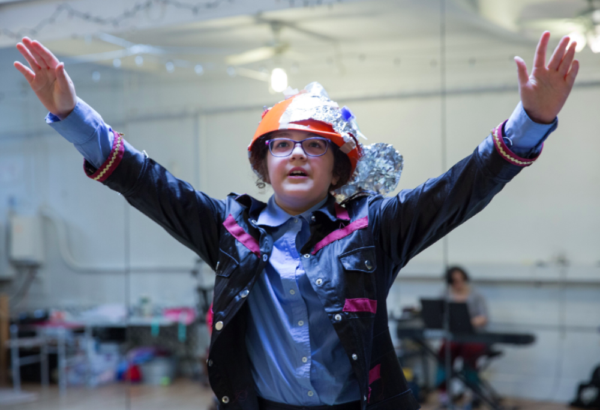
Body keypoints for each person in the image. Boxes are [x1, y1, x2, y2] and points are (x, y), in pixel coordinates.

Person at [12, 31, 578, 410]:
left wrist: (531, 120)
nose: (298, 155)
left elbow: (462, 189)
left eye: (314, 146)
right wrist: (71, 117)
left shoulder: (374, 229)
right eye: (281, 145)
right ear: (264, 164)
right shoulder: (228, 231)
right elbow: (145, 180)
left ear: (338, 168)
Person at [436, 266, 489, 407]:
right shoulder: (445, 294)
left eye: (460, 280)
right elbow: (439, 315)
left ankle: (472, 393)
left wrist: (467, 322)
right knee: (443, 353)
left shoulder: (476, 295)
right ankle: (444, 394)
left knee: (470, 355)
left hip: (473, 337)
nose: (458, 284)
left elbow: (484, 318)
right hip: (453, 337)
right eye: (454, 281)